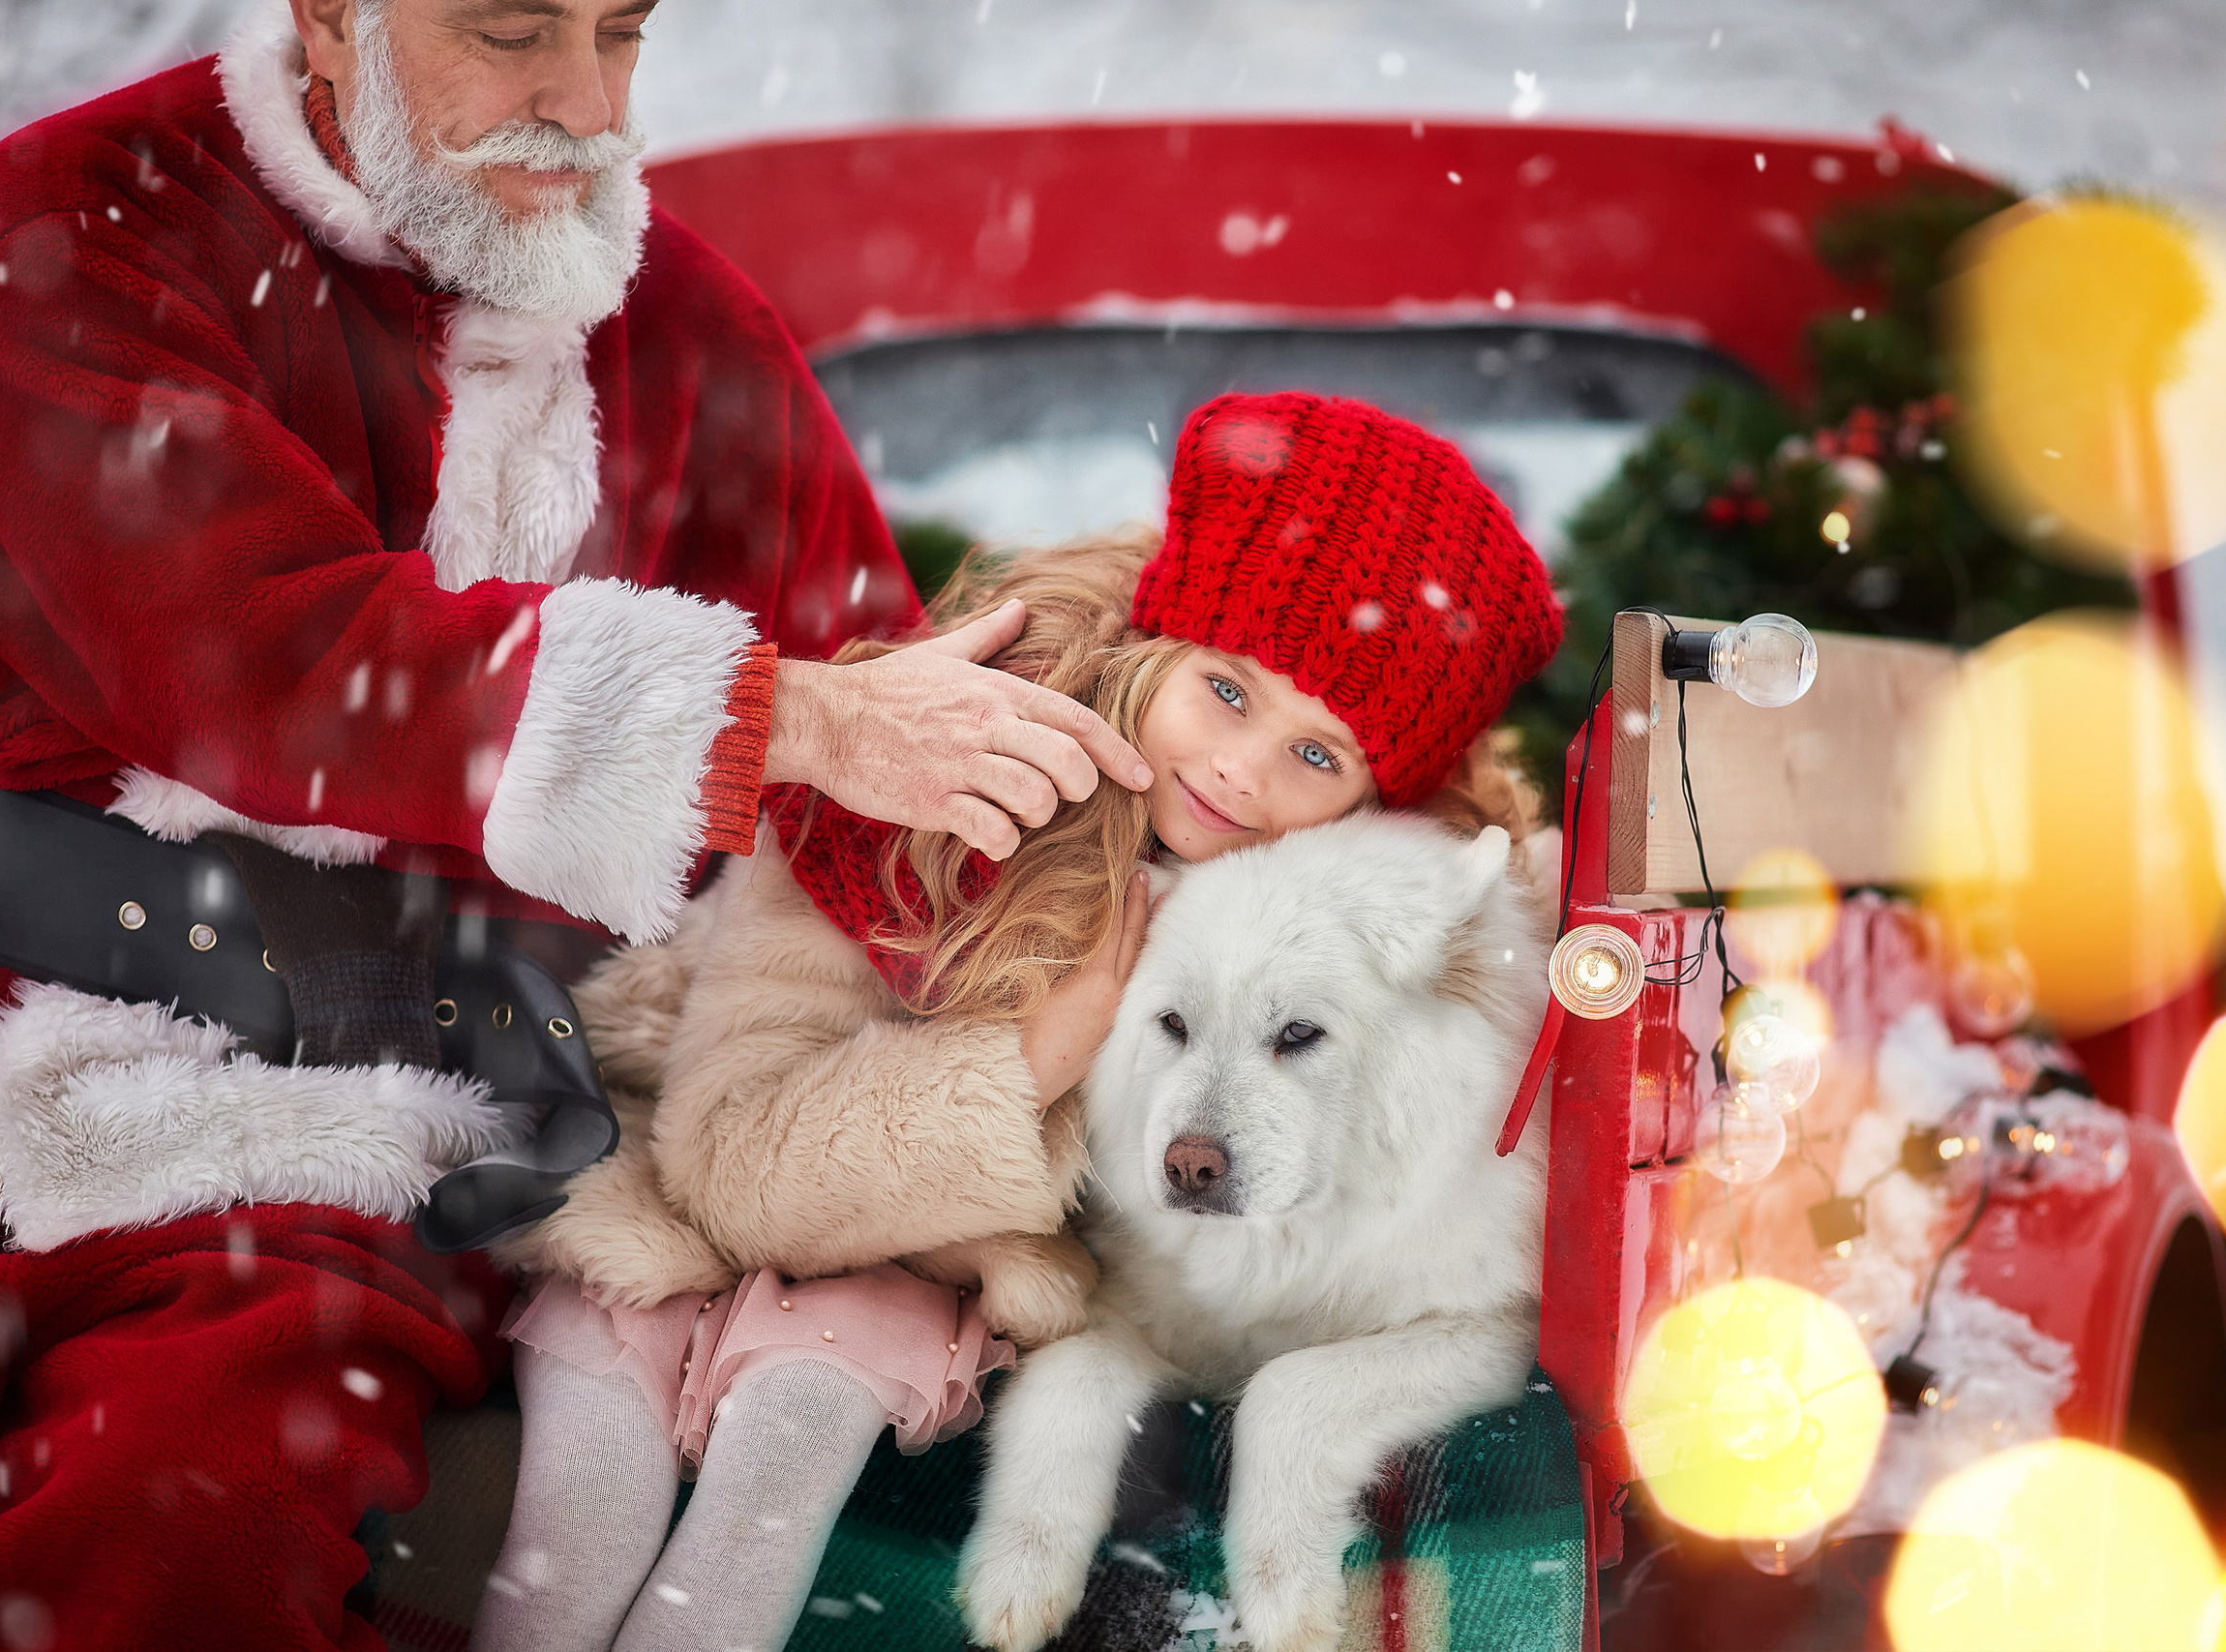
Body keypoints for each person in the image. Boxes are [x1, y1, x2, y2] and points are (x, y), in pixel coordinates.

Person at [0, 1, 1143, 1646]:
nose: (584, 104)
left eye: (619, 32)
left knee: (190, 1502)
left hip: (384, 1137)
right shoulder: (82, 224)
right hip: (7, 1041)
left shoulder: (687, 326)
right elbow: (254, 653)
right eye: (513, 30)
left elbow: (891, 782)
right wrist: (780, 715)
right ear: (329, 16)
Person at [469, 390, 1567, 1652]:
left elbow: (1496, 950)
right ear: (1161, 641)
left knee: (764, 1501)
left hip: (918, 1276)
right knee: (585, 1511)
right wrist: (1051, 1044)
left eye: (1318, 756)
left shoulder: (1331, 915)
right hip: (703, 1178)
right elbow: (732, 1169)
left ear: (1376, 804)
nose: (1242, 769)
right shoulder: (920, 775)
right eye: (1226, 691)